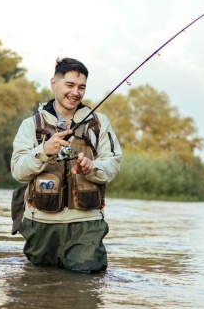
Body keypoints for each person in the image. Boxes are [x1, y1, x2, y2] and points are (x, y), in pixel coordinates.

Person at [11, 57, 122, 273]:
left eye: (81, 87)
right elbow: (18, 172)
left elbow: (112, 164)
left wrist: (92, 168)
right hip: (40, 224)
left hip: (86, 223)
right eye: (69, 85)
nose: (75, 92)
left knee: (85, 285)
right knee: (38, 287)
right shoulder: (30, 125)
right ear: (54, 83)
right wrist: (43, 151)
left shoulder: (99, 123)